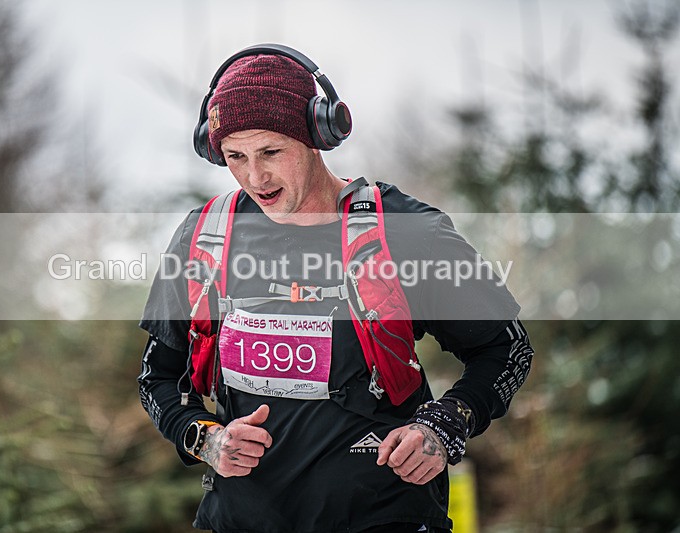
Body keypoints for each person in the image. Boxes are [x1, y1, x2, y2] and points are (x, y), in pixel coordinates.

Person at [138, 44, 534, 533]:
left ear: (318, 135)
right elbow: (157, 377)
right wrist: (205, 438)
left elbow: (507, 349)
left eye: (270, 152)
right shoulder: (204, 238)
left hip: (383, 518)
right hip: (239, 520)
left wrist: (444, 426)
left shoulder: (406, 232)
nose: (255, 177)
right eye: (235, 156)